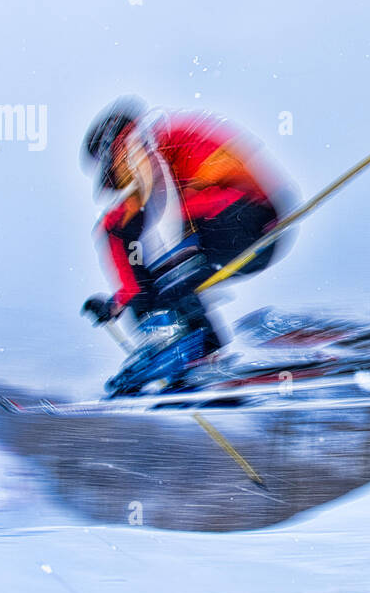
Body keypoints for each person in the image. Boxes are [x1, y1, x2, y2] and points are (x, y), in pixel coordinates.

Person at [80, 97, 294, 394]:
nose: (122, 182)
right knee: (122, 234)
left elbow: (168, 216)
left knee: (146, 246)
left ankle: (180, 342)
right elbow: (129, 247)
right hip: (230, 233)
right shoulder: (151, 176)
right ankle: (192, 350)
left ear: (113, 149)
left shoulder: (146, 147)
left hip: (242, 218)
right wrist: (118, 303)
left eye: (114, 169)